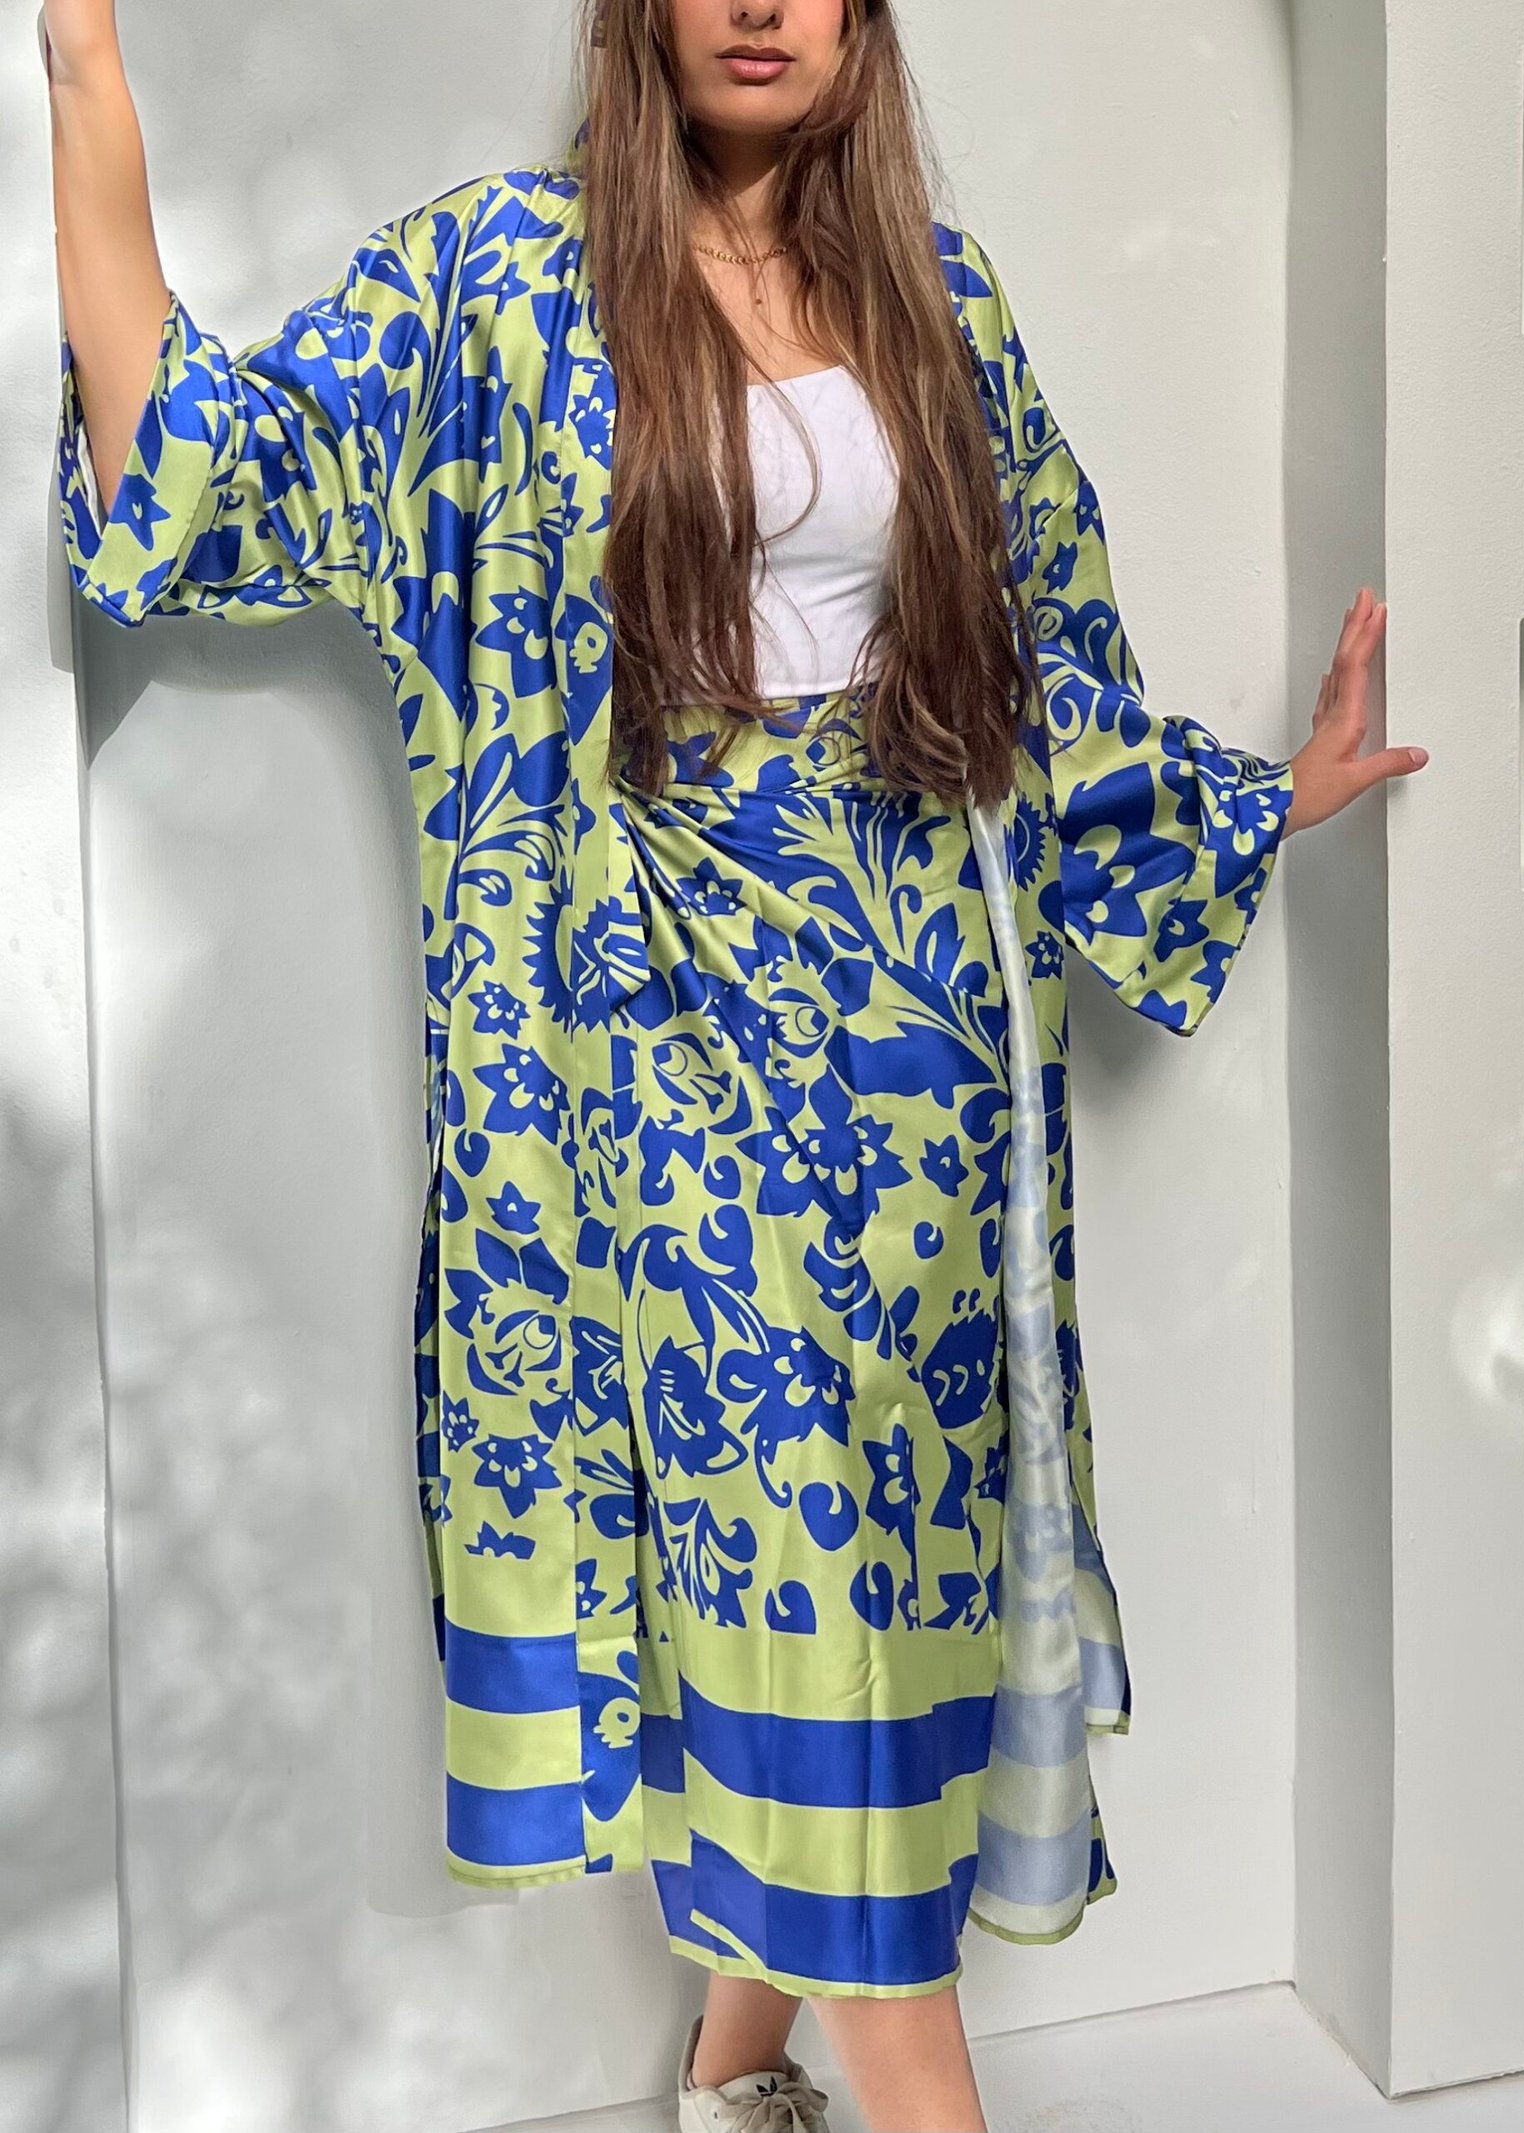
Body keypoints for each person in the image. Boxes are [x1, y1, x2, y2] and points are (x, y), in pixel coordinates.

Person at [43, 2, 1428, 2127]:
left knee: (854, 1604)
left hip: (932, 1092)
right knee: (800, 1595)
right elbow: (195, 468)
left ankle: (729, 2072)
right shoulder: (500, 286)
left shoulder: (938, 301)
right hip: (663, 1092)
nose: (760, 5)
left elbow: (1045, 671)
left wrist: (1262, 794)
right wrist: (83, 68)